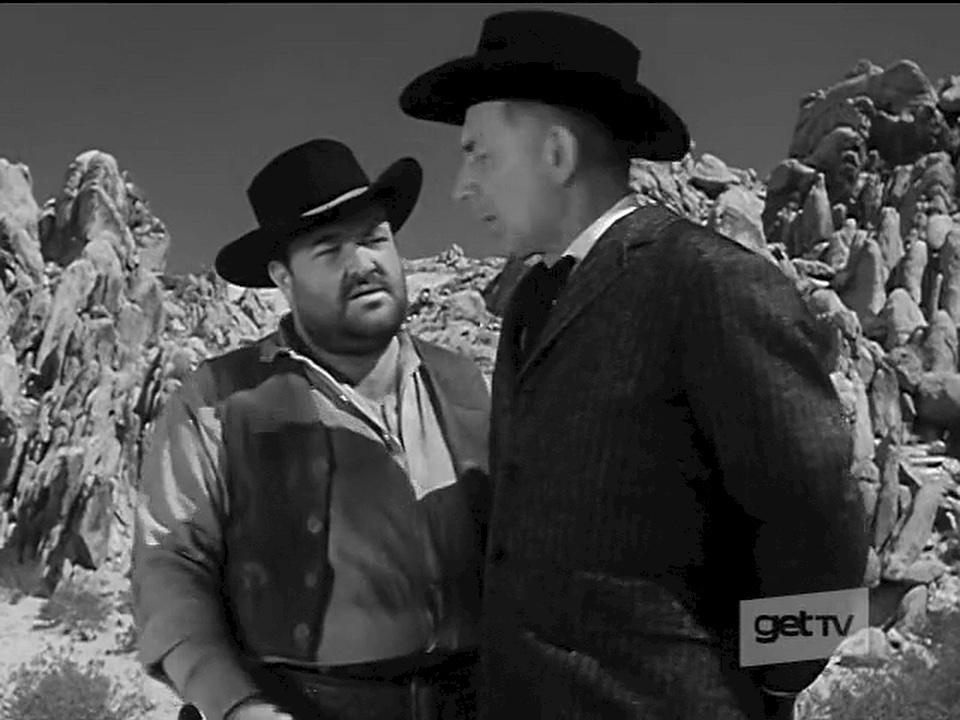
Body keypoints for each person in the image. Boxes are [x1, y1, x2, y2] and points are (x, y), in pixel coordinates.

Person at [399, 10, 869, 720]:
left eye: (480, 154)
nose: (461, 187)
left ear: (557, 154)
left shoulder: (707, 281)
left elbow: (825, 522)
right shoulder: (530, 304)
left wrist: (771, 688)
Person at [132, 139, 491, 720]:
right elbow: (170, 566)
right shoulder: (218, 399)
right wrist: (236, 706)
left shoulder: (464, 383)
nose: (363, 263)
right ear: (283, 277)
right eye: (330, 250)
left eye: (375, 239)